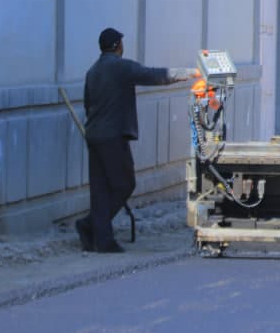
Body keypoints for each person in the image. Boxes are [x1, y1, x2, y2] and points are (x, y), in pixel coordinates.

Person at [74, 28, 194, 253]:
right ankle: (92, 226)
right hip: (113, 136)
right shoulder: (121, 67)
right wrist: (188, 73)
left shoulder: (93, 71)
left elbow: (87, 103)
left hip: (95, 135)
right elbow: (155, 75)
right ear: (118, 45)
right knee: (124, 184)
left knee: (100, 188)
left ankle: (100, 238)